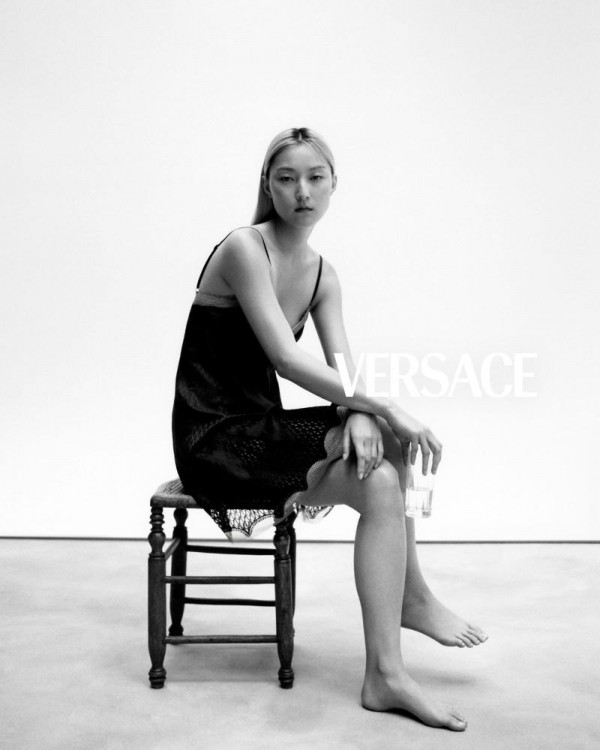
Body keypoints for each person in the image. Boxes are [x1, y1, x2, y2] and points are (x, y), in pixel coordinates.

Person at [171, 126, 488, 731]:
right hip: (215, 437)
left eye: (316, 178)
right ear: (267, 184)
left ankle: (406, 613)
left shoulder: (323, 275)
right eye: (287, 178)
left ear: (334, 184)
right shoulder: (244, 248)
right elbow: (288, 360)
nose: (302, 192)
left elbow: (342, 369)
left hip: (261, 427)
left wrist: (364, 411)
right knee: (382, 468)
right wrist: (384, 406)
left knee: (387, 455)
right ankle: (390, 663)